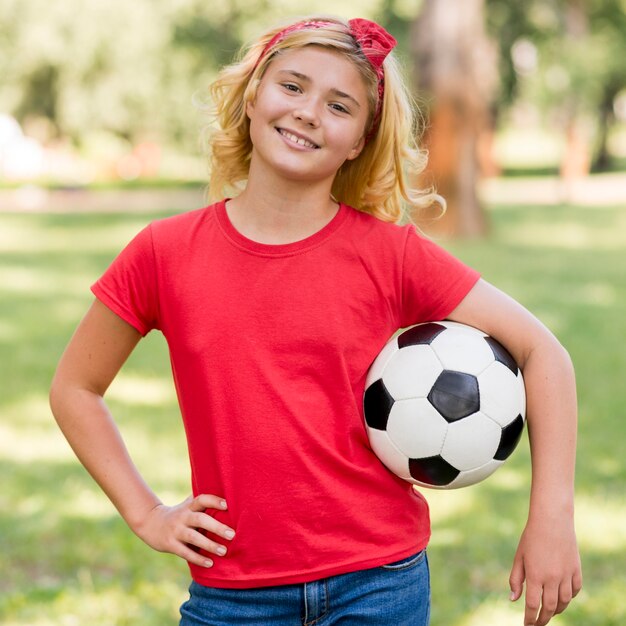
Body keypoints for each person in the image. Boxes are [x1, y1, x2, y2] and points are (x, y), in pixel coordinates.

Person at [49, 15, 582, 626]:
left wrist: (551, 518)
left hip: (379, 585)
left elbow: (545, 354)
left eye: (339, 105)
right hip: (233, 596)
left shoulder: (391, 255)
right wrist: (146, 513)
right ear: (253, 96)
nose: (308, 113)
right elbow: (74, 389)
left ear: (359, 139)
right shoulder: (164, 253)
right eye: (293, 86)